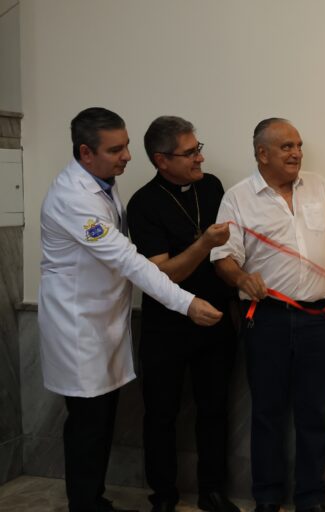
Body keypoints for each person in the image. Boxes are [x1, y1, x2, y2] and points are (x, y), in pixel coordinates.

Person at [39, 107, 222, 512]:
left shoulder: (102, 181)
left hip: (102, 322)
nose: (127, 156)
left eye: (125, 145)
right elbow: (131, 262)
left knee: (101, 421)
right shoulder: (75, 199)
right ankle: (85, 505)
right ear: (86, 153)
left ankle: (94, 500)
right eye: (116, 149)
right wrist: (187, 303)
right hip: (78, 326)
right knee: (87, 426)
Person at [212, 118, 325, 512]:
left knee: (316, 412)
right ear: (262, 154)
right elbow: (223, 258)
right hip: (267, 321)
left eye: (298, 145)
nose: (296, 153)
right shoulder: (238, 197)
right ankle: (267, 498)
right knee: (267, 413)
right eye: (286, 147)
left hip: (319, 319)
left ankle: (311, 498)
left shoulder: (318, 187)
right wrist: (243, 278)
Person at [126, 116, 239, 512]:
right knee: (161, 414)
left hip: (215, 321)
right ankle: (164, 495)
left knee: (214, 409)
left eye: (198, 148)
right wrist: (205, 242)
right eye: (189, 152)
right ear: (162, 160)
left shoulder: (212, 188)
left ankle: (212, 490)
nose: (199, 157)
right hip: (166, 328)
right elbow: (163, 273)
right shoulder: (143, 204)